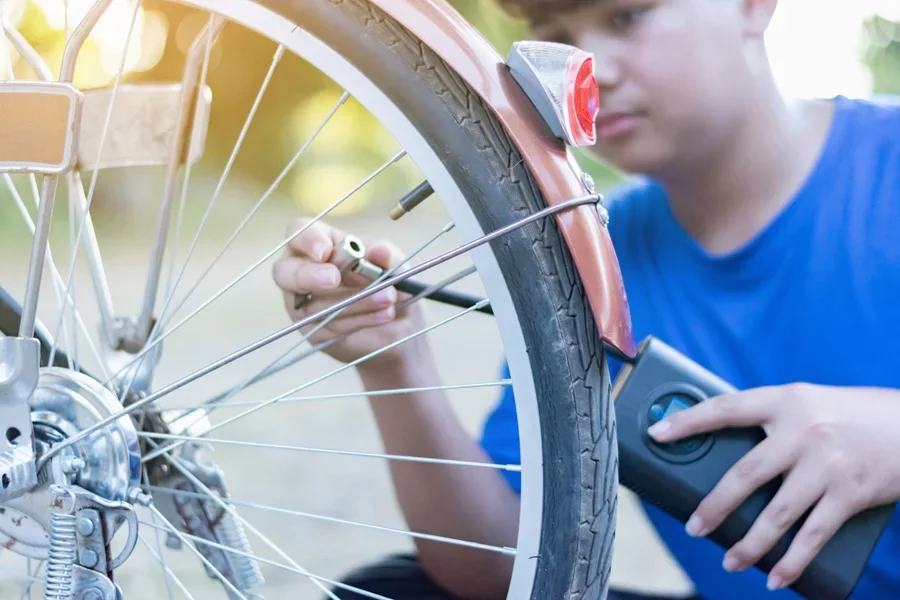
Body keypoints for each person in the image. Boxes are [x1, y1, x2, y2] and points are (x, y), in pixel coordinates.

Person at [272, 0, 900, 598]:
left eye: (627, 15)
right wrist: (395, 365)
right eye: (557, 36)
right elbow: (505, 566)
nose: (588, 69)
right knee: (393, 593)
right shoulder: (594, 259)